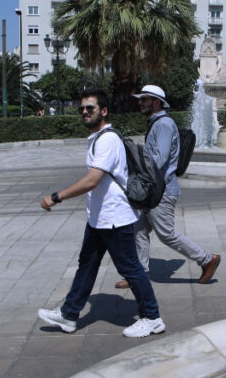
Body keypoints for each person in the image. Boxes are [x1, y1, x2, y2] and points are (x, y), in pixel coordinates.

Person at [38, 89, 166, 338]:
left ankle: (152, 317)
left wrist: (56, 197)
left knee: (131, 269)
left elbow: (92, 181)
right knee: (87, 265)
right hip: (99, 218)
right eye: (82, 109)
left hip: (113, 218)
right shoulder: (99, 138)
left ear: (104, 111)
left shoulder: (107, 140)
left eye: (91, 108)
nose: (85, 112)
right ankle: (69, 314)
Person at [115, 85, 221, 289]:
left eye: (144, 99)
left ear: (156, 102)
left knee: (166, 233)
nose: (140, 102)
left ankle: (207, 259)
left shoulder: (163, 125)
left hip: (160, 191)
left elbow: (159, 159)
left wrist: (135, 158)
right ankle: (139, 274)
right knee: (138, 230)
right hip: (153, 189)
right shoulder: (158, 124)